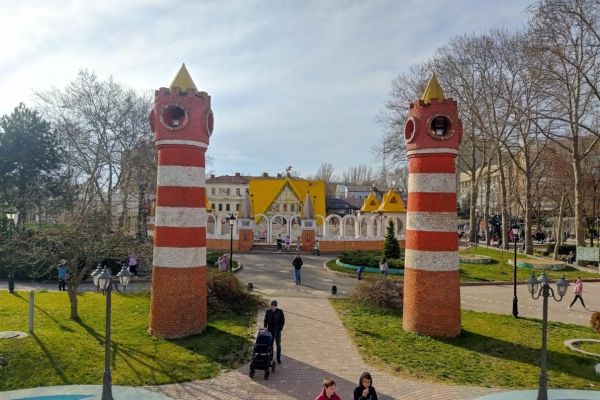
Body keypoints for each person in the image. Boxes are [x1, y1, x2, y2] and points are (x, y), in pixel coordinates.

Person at [264, 299, 285, 364]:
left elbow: (282, 321)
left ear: (276, 306)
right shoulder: (268, 311)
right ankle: (270, 358)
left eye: (274, 306)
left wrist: (280, 328)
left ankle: (278, 359)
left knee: (278, 345)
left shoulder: (280, 312)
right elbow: (265, 320)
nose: (273, 307)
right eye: (272, 306)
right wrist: (265, 327)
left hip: (277, 331)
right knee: (270, 345)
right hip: (270, 330)